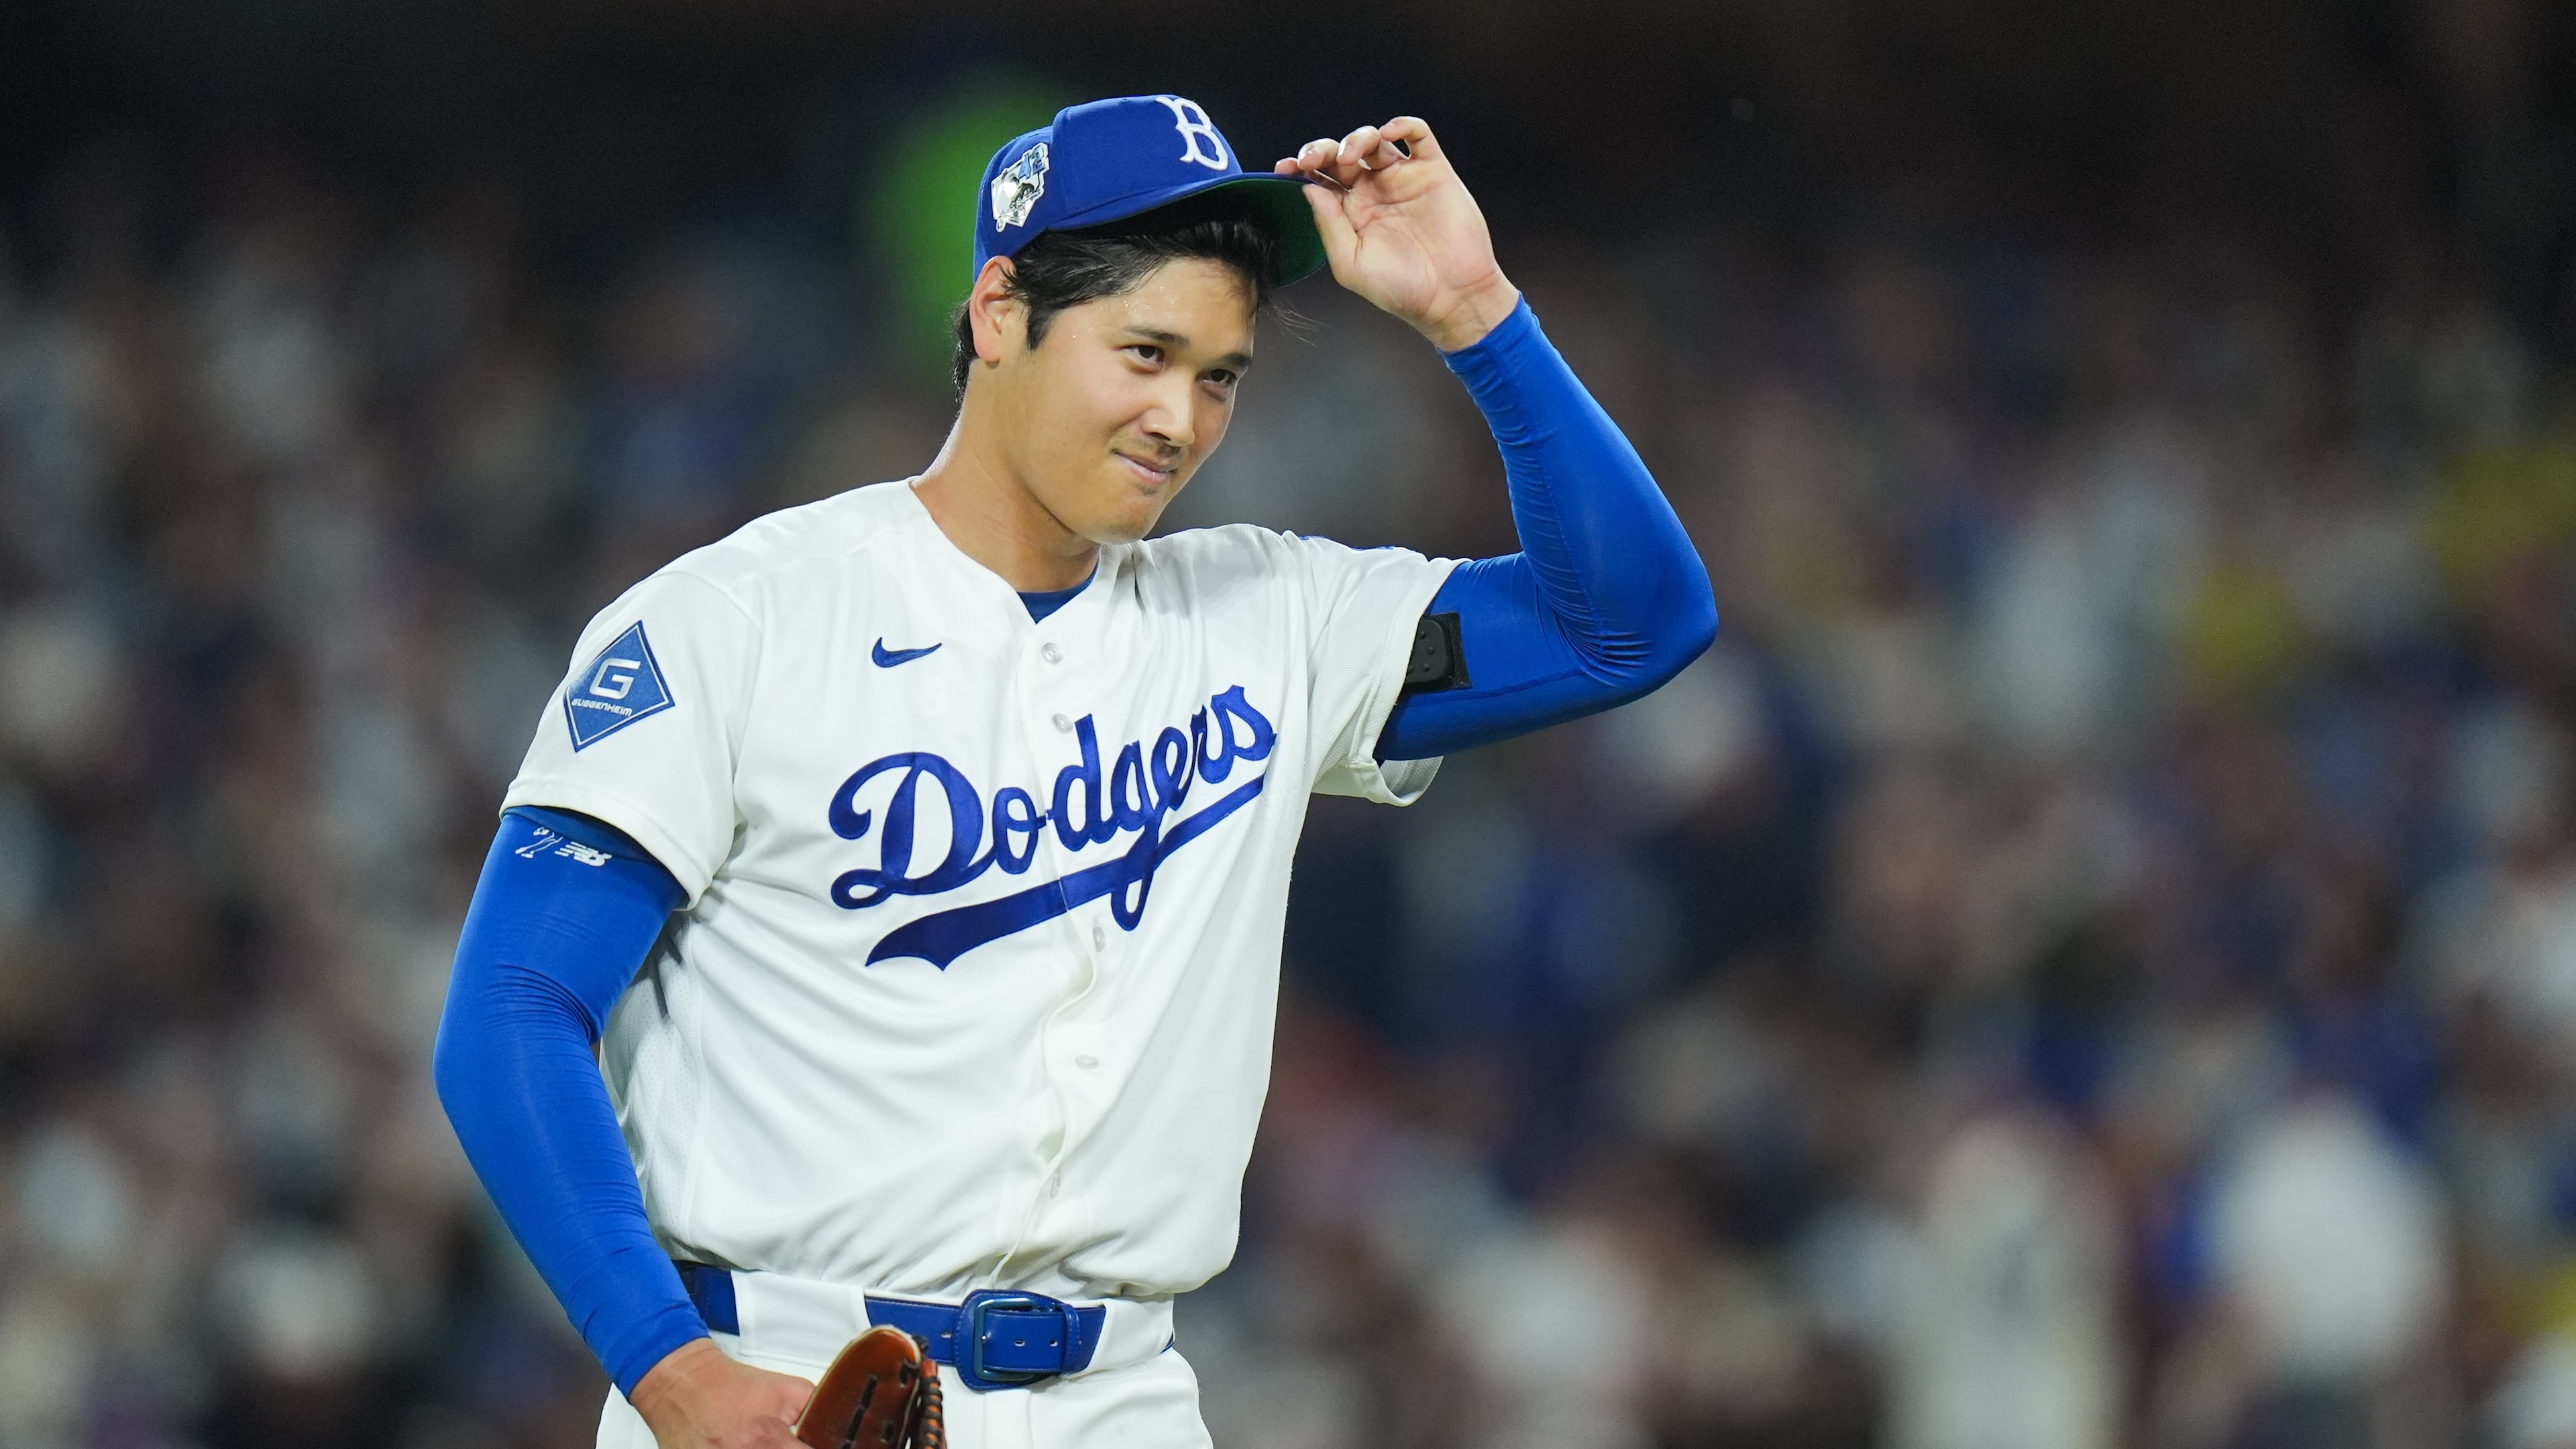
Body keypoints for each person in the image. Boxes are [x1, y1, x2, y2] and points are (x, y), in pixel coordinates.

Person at [434, 94, 1716, 1449]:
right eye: (1145, 352)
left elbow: (1629, 624)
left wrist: (1475, 315)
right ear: (999, 313)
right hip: (790, 1374)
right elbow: (514, 1008)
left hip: (1124, 1396)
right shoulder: (737, 620)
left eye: (1219, 376)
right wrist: (671, 1370)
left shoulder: (1273, 617)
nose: (1180, 417)